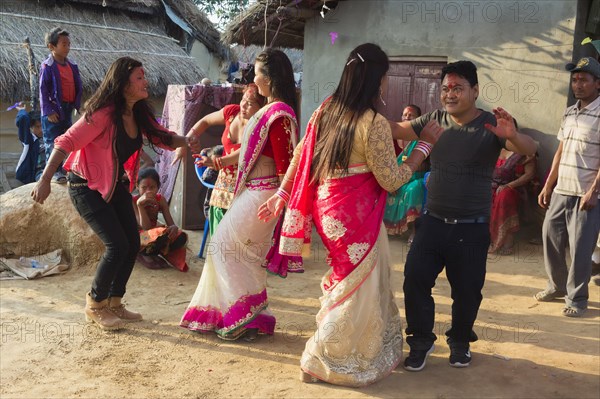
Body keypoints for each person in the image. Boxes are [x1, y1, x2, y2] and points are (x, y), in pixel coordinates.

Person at [258, 43, 443, 387]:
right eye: (385, 76)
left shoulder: (326, 110)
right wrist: (423, 148)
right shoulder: (371, 123)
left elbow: (301, 155)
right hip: (356, 214)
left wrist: (283, 194)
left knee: (348, 279)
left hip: (329, 209)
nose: (386, 84)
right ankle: (322, 356)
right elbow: (391, 179)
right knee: (360, 286)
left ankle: (345, 348)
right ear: (376, 79)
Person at [388, 60, 537, 371]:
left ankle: (459, 341)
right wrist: (361, 108)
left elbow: (530, 148)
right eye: (445, 89)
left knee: (467, 291)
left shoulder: (491, 125)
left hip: (472, 227)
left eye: (457, 88)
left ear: (475, 91)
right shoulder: (434, 120)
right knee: (414, 280)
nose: (449, 94)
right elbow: (396, 129)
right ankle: (420, 342)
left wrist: (513, 136)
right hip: (432, 221)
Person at [31, 57, 198, 330]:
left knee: (132, 243)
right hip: (84, 186)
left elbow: (161, 136)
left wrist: (186, 141)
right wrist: (45, 179)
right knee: (116, 245)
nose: (146, 82)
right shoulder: (103, 114)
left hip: (113, 185)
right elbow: (66, 141)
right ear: (123, 85)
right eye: (139, 78)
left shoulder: (138, 113)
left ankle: (115, 302)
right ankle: (95, 305)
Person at [179, 49, 299, 341]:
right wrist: (216, 161)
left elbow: (286, 166)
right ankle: (241, 315)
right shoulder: (270, 111)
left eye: (257, 72)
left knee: (227, 248)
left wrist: (282, 203)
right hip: (253, 191)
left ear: (269, 77)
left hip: (265, 194)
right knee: (238, 253)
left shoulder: (279, 114)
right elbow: (247, 154)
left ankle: (243, 317)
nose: (253, 78)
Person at [535, 56, 600, 317]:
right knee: (550, 237)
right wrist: (548, 185)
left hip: (587, 193)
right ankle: (556, 286)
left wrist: (594, 191)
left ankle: (577, 298)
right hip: (563, 190)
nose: (578, 84)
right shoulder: (570, 112)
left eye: (584, 79)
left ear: (598, 84)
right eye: (574, 79)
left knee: (581, 248)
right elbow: (560, 152)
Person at [173, 83, 266, 235]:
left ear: (261, 108)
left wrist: (218, 162)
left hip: (245, 185)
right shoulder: (232, 112)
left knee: (238, 235)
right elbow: (205, 121)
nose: (243, 105)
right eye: (243, 99)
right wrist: (185, 142)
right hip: (222, 184)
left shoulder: (260, 125)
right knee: (218, 230)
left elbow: (246, 152)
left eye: (250, 103)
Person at [39, 27, 82, 184]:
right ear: (52, 46)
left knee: (67, 139)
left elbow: (77, 86)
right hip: (53, 110)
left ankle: (66, 168)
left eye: (69, 44)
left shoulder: (72, 65)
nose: (68, 47)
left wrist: (78, 105)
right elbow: (43, 90)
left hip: (67, 108)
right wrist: (48, 110)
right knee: (53, 140)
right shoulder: (48, 66)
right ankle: (55, 172)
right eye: (64, 44)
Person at [384, 104, 429, 241]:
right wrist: (392, 180)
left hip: (415, 176)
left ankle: (414, 231)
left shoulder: (422, 138)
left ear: (418, 119)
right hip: (394, 176)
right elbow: (385, 162)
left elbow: (423, 165)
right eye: (405, 114)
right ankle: (386, 229)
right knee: (381, 188)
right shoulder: (391, 137)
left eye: (411, 115)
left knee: (412, 189)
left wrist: (402, 177)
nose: (407, 117)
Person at [134, 167, 188, 272]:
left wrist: (173, 228)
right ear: (137, 187)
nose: (148, 191)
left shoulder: (160, 200)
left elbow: (171, 223)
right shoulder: (134, 201)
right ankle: (141, 254)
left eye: (152, 187)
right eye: (144, 187)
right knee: (158, 234)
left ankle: (158, 253)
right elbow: (145, 228)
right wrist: (140, 206)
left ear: (158, 187)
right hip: (139, 238)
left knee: (180, 236)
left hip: (154, 235)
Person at [488, 146, 537, 254]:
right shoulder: (493, 149)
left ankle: (507, 240)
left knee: (504, 196)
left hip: (515, 188)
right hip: (492, 187)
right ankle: (489, 240)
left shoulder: (525, 152)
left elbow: (530, 174)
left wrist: (508, 185)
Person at [15, 103, 45, 184]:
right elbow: (23, 119)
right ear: (31, 127)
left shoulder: (49, 138)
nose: (41, 129)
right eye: (37, 127)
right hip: (38, 173)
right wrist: (22, 111)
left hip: (51, 171)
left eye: (42, 126)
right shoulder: (29, 140)